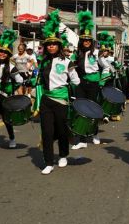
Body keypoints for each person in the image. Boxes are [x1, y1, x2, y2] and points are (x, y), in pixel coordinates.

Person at [33, 11, 81, 175]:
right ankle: (48, 162)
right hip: (46, 100)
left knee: (61, 130)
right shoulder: (43, 62)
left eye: (54, 44)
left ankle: (63, 154)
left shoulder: (67, 62)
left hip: (61, 101)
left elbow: (76, 81)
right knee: (46, 132)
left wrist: (71, 92)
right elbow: (40, 80)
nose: (51, 46)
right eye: (49, 44)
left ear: (59, 46)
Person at [71, 12, 108, 149]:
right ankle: (82, 139)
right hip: (81, 84)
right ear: (81, 41)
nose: (86, 42)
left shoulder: (97, 53)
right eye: (84, 40)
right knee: (81, 109)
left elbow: (106, 67)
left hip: (93, 83)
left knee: (93, 109)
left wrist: (102, 81)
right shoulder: (77, 54)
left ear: (91, 41)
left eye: (88, 40)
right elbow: (71, 67)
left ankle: (95, 133)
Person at [0, 30, 23, 154]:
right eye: (1, 51)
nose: (2, 54)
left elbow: (20, 80)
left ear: (8, 54)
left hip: (6, 96)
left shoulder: (11, 67)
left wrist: (11, 88)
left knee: (7, 119)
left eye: (5, 52)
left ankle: (12, 138)